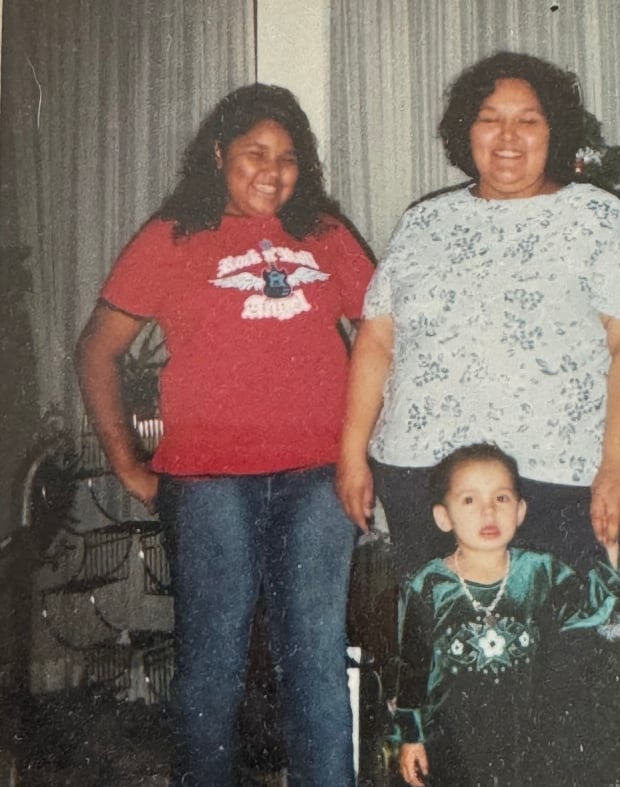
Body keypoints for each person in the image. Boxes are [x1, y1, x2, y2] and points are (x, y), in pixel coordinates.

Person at [76, 83, 374, 787]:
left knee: (315, 662)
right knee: (211, 668)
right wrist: (128, 464)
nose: (273, 170)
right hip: (207, 482)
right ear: (218, 155)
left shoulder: (325, 234)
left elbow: (384, 339)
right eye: (255, 153)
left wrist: (364, 447)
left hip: (318, 480)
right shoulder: (172, 236)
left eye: (289, 157)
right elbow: (97, 350)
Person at [336, 51, 620, 582]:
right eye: (490, 119)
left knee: (551, 652)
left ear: (554, 132)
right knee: (440, 653)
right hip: (423, 479)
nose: (507, 136)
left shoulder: (599, 220)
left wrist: (619, 467)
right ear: (466, 133)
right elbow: (378, 340)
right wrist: (352, 455)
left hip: (551, 482)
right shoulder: (425, 221)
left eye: (528, 121)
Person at [395, 443, 620, 787]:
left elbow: (588, 609)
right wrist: (411, 736)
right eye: (469, 500)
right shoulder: (430, 583)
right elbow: (413, 664)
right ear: (444, 516)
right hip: (454, 737)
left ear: (520, 511)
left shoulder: (539, 572)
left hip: (528, 735)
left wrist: (611, 553)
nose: (488, 512)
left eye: (501, 498)